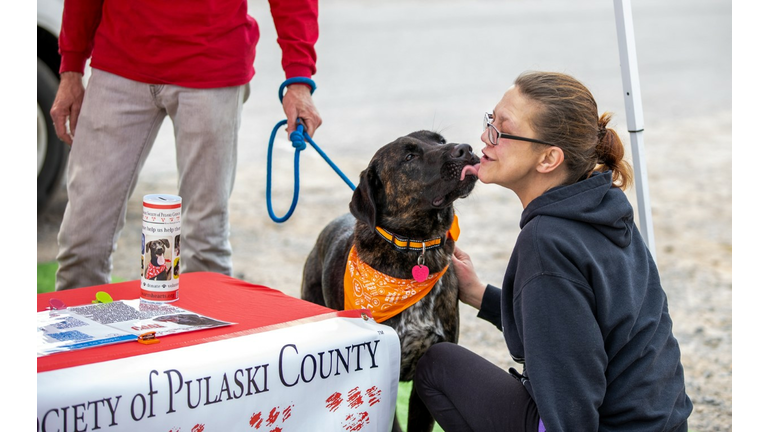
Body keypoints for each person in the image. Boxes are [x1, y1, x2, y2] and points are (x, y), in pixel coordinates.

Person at [413, 71, 692, 431]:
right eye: (489, 121)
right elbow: (577, 327)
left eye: (501, 130)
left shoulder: (546, 241)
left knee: (438, 366)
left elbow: (573, 389)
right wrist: (480, 296)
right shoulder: (603, 204)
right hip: (663, 423)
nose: (485, 137)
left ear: (548, 159)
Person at [50, 0, 322, 290]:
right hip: (120, 61)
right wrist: (71, 69)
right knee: (82, 241)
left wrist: (299, 79)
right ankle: (79, 330)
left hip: (212, 65)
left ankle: (207, 334)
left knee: (205, 244)